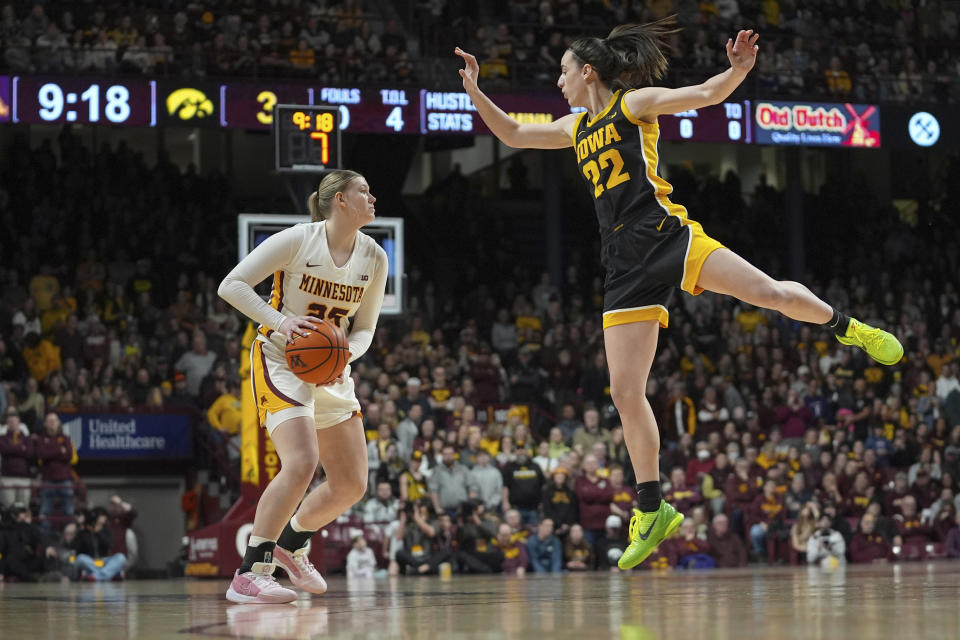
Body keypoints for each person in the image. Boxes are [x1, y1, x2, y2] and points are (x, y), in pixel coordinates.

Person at [455, 17, 902, 571]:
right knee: (624, 391)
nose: (559, 81)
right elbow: (515, 135)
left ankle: (846, 327)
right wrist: (476, 93)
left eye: (563, 72)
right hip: (621, 262)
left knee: (766, 292)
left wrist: (736, 71)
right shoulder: (576, 127)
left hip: (664, 235)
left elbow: (704, 94)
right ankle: (653, 507)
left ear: (587, 71)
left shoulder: (633, 104)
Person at [218, 170, 388, 604]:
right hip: (281, 358)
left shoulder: (374, 256)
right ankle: (249, 572)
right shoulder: (298, 239)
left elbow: (365, 327)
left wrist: (348, 354)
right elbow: (231, 285)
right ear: (340, 201)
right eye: (363, 191)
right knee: (302, 461)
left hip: (332, 364)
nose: (372, 197)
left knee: (351, 483)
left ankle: (290, 545)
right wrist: (281, 322)